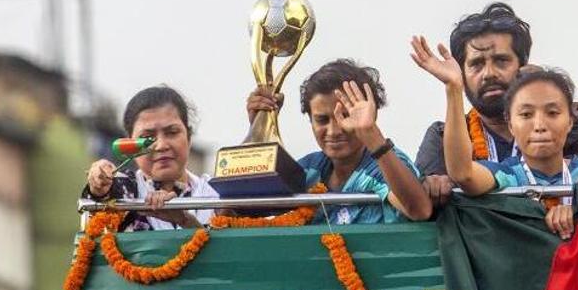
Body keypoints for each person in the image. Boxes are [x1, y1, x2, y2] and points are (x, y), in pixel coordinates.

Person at [413, 3, 578, 207]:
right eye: (476, 64)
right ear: (461, 75)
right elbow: (419, 203)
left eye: (501, 61)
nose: (489, 73)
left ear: (523, 66)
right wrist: (431, 185)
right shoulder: (441, 137)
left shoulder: (576, 127)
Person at [410, 36, 578, 240]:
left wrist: (577, 212)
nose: (539, 125)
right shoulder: (508, 175)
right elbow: (463, 173)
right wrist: (453, 88)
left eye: (552, 113)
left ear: (571, 121)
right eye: (526, 115)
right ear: (511, 124)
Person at [247, 59, 431, 224]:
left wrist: (372, 135)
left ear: (371, 115)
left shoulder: (386, 163)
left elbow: (419, 210)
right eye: (322, 120)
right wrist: (259, 129)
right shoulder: (310, 169)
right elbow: (240, 209)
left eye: (346, 116)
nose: (334, 131)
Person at [84, 86, 216, 231]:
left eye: (172, 132)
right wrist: (99, 183)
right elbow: (102, 198)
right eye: (147, 137)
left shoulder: (216, 194)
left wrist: (184, 220)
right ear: (130, 145)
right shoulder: (124, 189)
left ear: (189, 137)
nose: (161, 146)